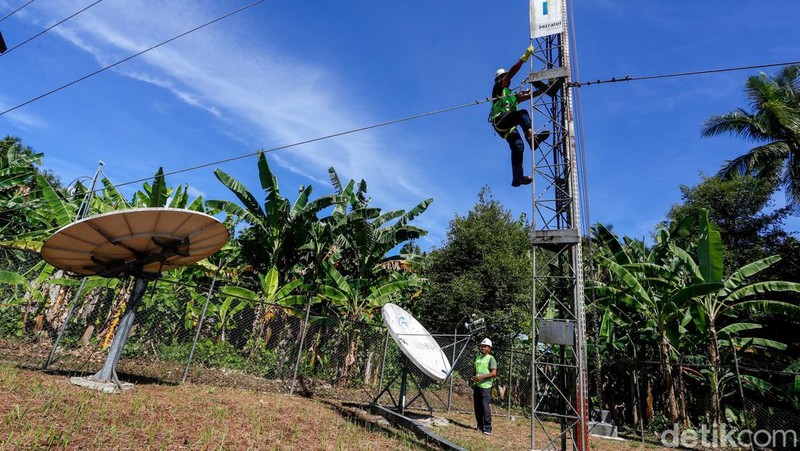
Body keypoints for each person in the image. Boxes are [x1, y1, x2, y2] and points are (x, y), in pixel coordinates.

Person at [489, 45, 551, 187]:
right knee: (522, 114)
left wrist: (544, 89)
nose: (507, 79)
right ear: (500, 78)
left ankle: (517, 178)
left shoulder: (512, 95)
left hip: (508, 129)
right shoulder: (498, 88)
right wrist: (524, 58)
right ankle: (532, 138)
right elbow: (512, 73)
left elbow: (529, 96)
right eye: (504, 77)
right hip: (501, 121)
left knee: (518, 146)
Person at [472, 337, 498, 435]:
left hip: (485, 387)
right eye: (482, 346)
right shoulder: (477, 358)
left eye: (485, 346)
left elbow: (494, 373)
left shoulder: (491, 358)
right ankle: (480, 425)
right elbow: (476, 371)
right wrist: (474, 377)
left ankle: (487, 428)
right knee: (477, 407)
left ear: (489, 348)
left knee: (485, 407)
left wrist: (481, 377)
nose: (483, 348)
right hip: (477, 385)